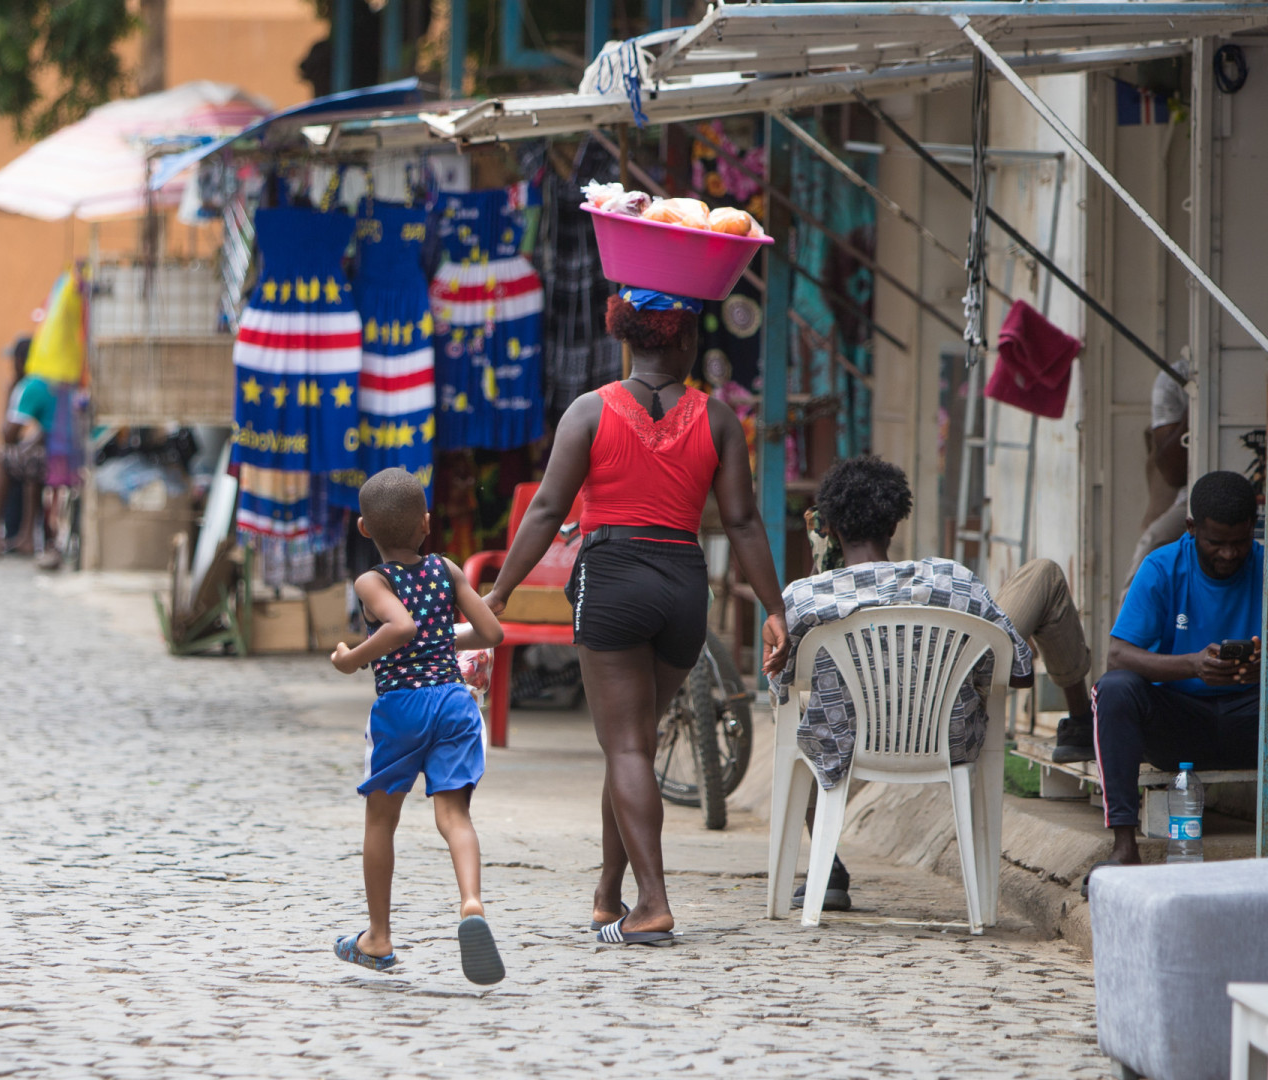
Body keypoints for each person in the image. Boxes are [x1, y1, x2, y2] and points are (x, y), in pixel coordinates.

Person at [484, 288, 789, 946]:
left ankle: (652, 905)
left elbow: (544, 511)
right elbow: (741, 521)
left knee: (626, 748)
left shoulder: (589, 412)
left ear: (628, 341)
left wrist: (499, 592)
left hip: (613, 579)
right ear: (683, 344)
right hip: (683, 586)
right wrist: (775, 608)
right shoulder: (719, 419)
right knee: (632, 745)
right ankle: (608, 894)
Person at [782, 457, 1069, 911]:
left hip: (847, 742)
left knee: (807, 711)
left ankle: (828, 867)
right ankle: (1082, 719)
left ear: (829, 528)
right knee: (1042, 578)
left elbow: (783, 680)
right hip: (948, 740)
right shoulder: (952, 580)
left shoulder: (802, 599)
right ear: (895, 525)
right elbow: (1019, 672)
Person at [329, 467, 507, 984]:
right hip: (453, 703)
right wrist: (441, 641)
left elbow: (400, 625)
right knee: (455, 817)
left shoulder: (371, 580)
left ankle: (379, 938)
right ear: (426, 523)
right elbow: (490, 632)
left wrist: (353, 659)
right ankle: (471, 903)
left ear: (364, 529)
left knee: (381, 821)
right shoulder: (446, 569)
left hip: (401, 708)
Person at [1094, 469, 1261, 867]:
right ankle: (1123, 844)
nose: (1229, 554)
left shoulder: (1265, 564)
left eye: (1239, 542)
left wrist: (1263, 668)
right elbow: (1118, 655)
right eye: (1216, 542)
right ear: (1191, 528)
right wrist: (1192, 665)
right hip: (1180, 724)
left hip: (1253, 722)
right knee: (1114, 689)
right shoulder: (1162, 567)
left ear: (1253, 526)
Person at [0, 336, 49, 558]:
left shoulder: (30, 385)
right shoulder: (48, 381)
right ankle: (24, 535)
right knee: (21, 457)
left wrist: (11, 394)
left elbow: (8, 435)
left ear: (21, 361)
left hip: (51, 458)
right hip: (58, 453)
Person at [1123, 363, 1191, 593]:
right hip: (1192, 495)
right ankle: (1125, 628)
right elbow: (1172, 473)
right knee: (1150, 545)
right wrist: (1194, 411)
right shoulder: (1175, 377)